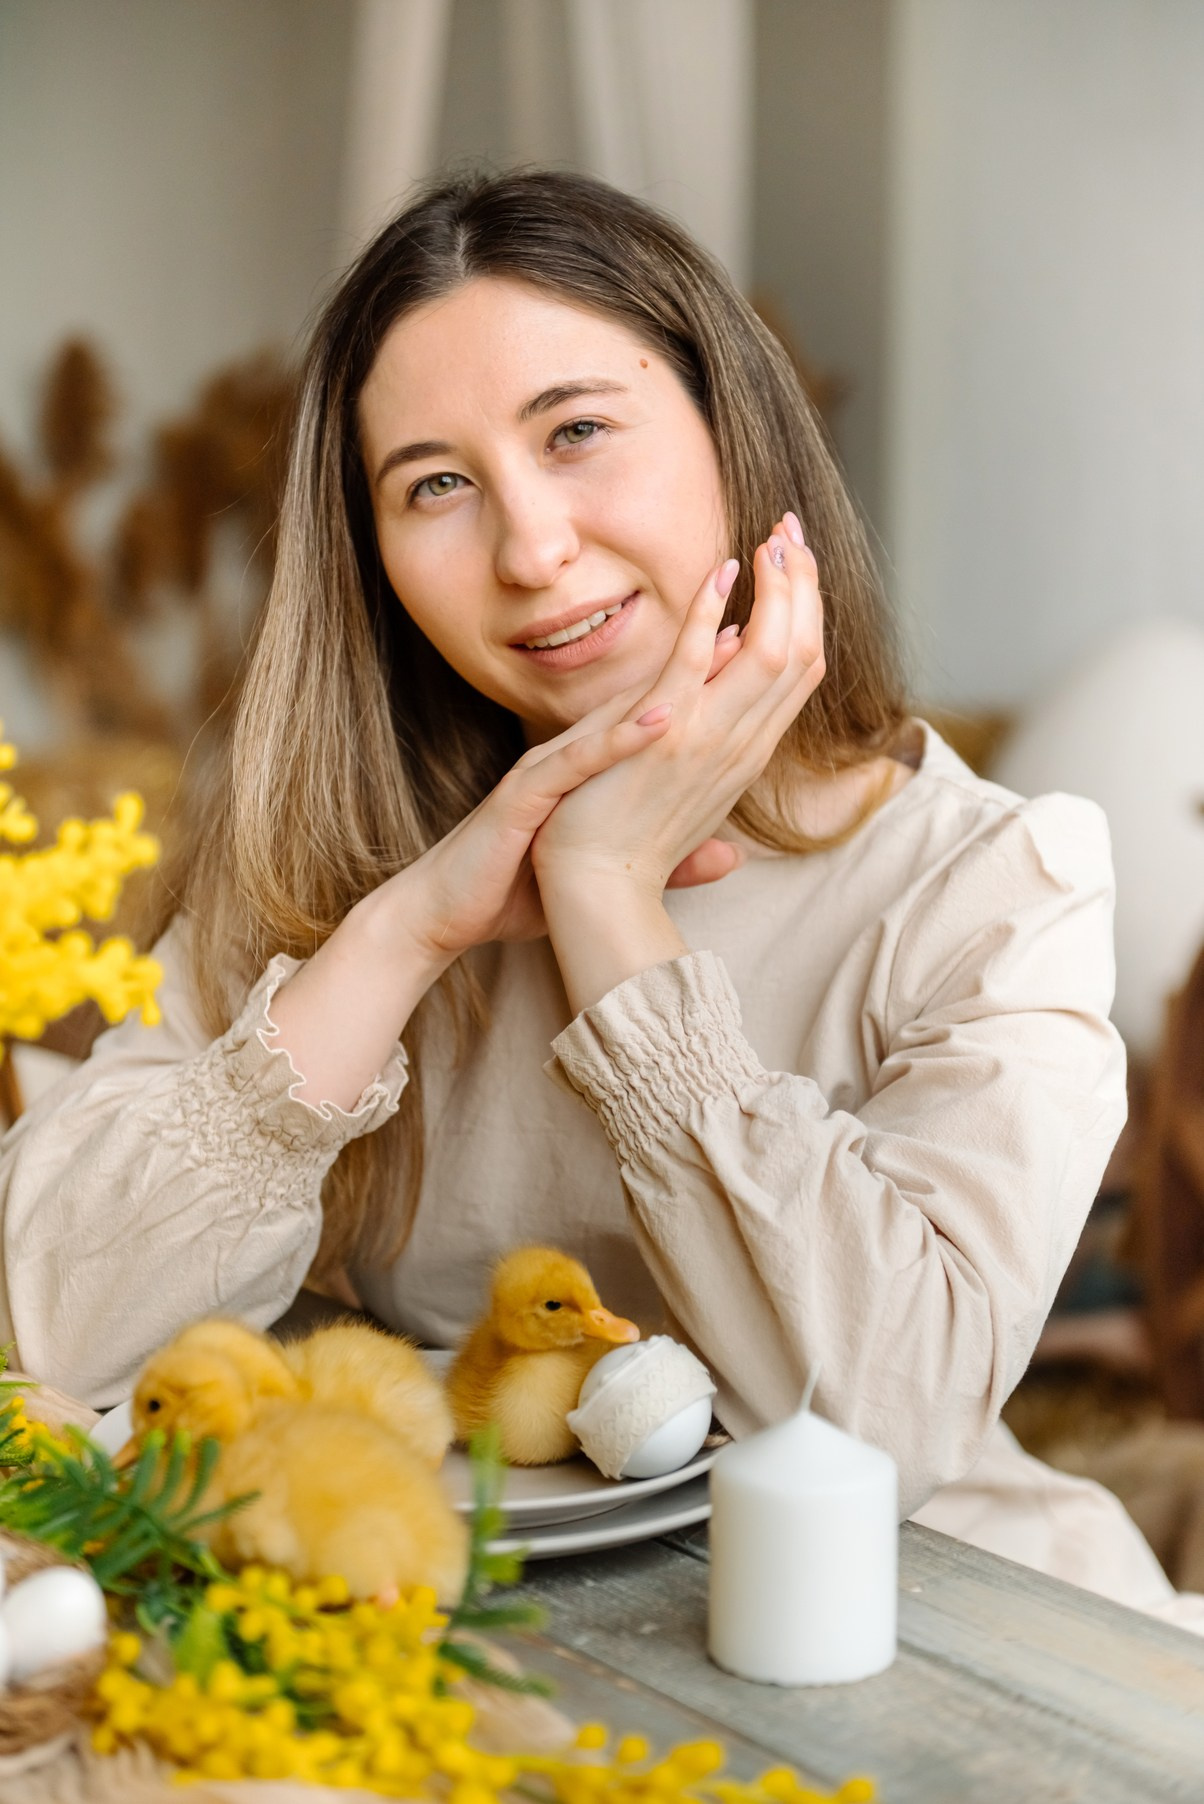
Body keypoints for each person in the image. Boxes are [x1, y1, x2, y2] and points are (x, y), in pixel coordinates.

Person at [0, 169, 1190, 1620]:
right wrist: (402, 933)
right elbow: (53, 1335)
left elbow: (889, 1425)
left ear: (734, 443)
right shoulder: (316, 866)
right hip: (446, 1639)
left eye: (578, 431)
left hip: (924, 1637)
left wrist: (610, 893)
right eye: (436, 483)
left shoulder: (994, 882)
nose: (530, 550)